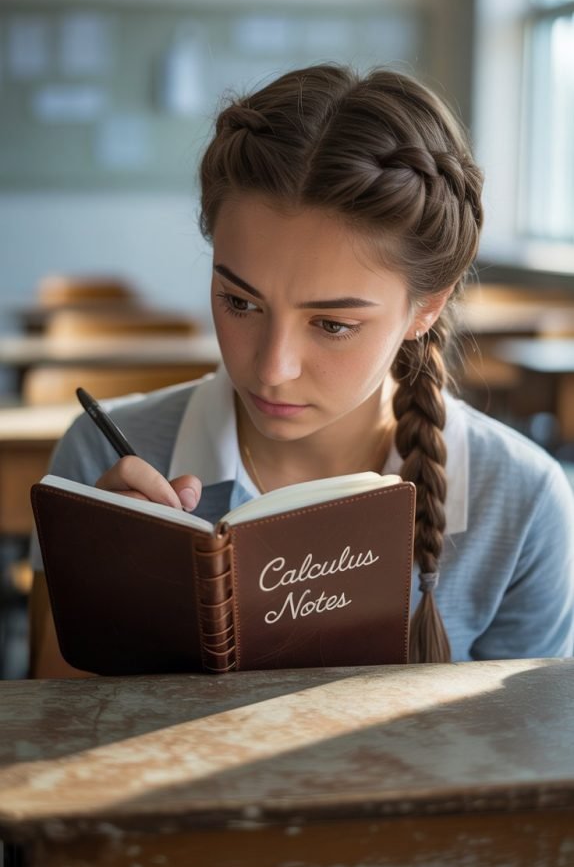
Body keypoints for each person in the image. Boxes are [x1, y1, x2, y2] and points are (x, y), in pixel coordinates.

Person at [30, 64, 574, 677]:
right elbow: (53, 738)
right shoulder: (103, 467)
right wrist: (107, 581)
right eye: (240, 302)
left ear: (426, 307)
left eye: (333, 325)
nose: (272, 368)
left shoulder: (523, 500)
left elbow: (523, 757)